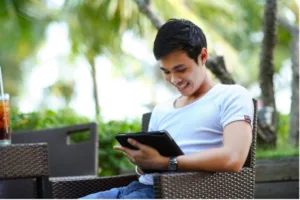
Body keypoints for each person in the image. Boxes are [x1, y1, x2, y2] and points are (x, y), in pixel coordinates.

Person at [81, 18, 254, 199]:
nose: (174, 79)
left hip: (176, 193)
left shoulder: (231, 96)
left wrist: (166, 163)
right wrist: (142, 162)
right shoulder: (161, 109)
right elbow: (145, 172)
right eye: (166, 71)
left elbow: (233, 158)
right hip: (135, 189)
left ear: (203, 57)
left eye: (181, 69)